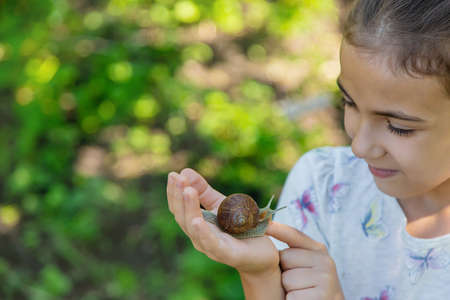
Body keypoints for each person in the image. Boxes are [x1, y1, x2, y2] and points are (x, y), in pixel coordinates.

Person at [166, 0, 450, 299]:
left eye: (399, 127)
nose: (359, 146)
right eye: (349, 103)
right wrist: (260, 274)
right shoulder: (324, 185)